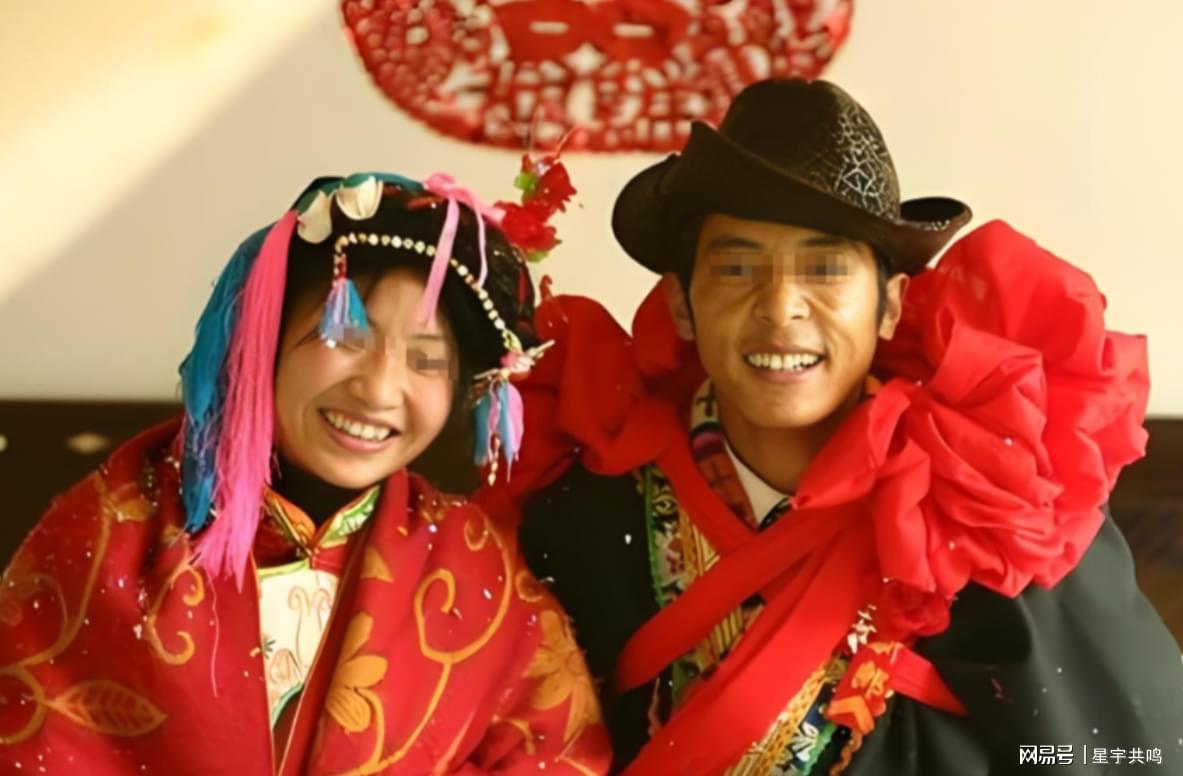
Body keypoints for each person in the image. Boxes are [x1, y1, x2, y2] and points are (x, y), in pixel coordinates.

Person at [482, 80, 1183, 774]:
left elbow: (1131, 750)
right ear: (682, 306)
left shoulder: (993, 516)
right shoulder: (584, 518)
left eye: (824, 268)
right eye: (737, 267)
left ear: (890, 306)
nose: (781, 306)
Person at [0, 169, 610, 774]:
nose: (379, 390)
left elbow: (556, 754)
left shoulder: (471, 567)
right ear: (263, 334)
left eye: (427, 360)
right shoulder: (117, 530)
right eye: (343, 334)